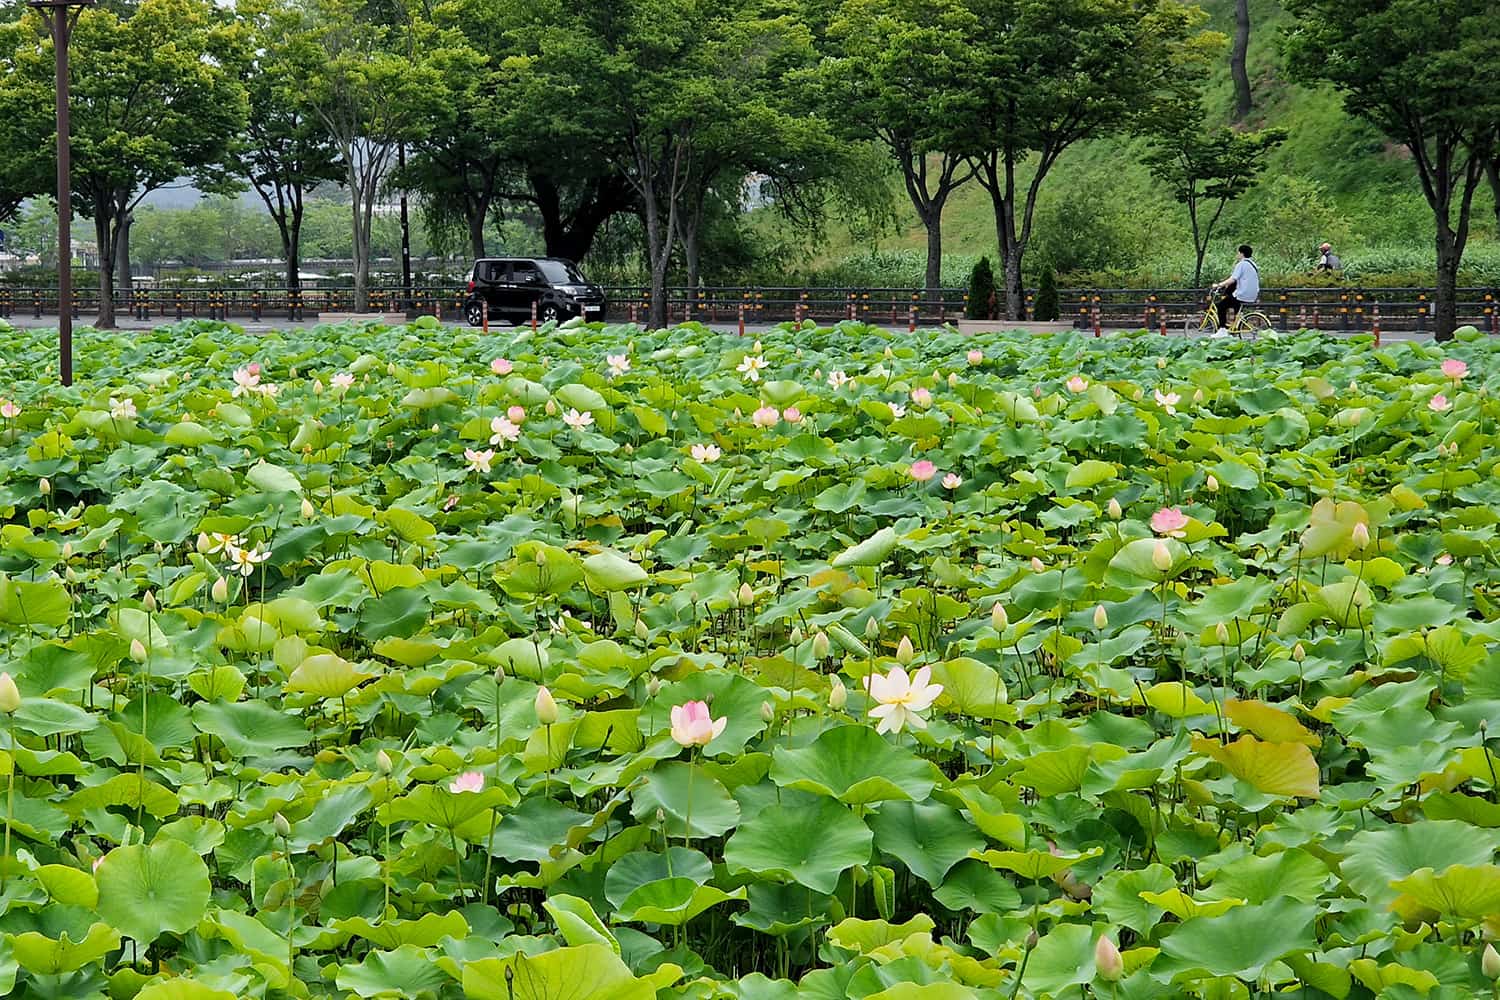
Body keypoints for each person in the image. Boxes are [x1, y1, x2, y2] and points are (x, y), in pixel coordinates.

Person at [1210, 244, 1259, 335]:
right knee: (1232, 302)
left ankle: (1222, 330)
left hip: (1242, 294)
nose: (1237, 255)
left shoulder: (1241, 264)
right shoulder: (1253, 264)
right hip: (1252, 294)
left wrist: (1219, 285)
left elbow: (1233, 279)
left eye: (1238, 253)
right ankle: (1234, 327)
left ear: (1241, 254)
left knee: (1221, 306)